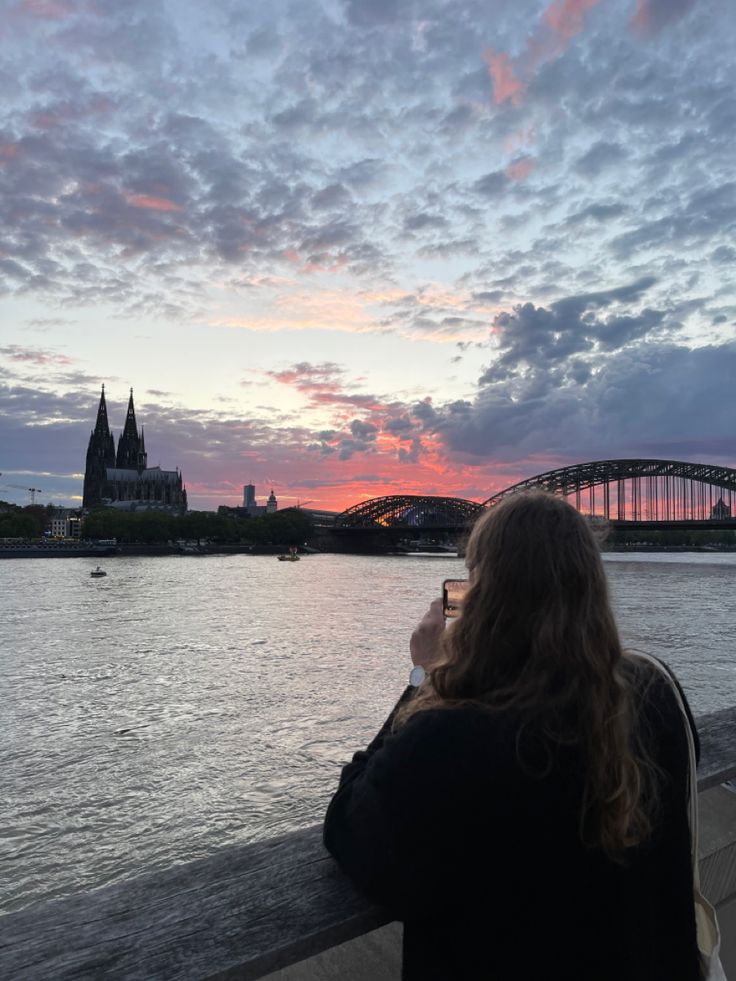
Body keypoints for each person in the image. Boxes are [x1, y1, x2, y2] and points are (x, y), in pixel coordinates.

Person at [323, 491, 701, 981]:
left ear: (480, 600)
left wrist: (423, 677)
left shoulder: (452, 737)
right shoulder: (655, 694)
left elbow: (350, 828)